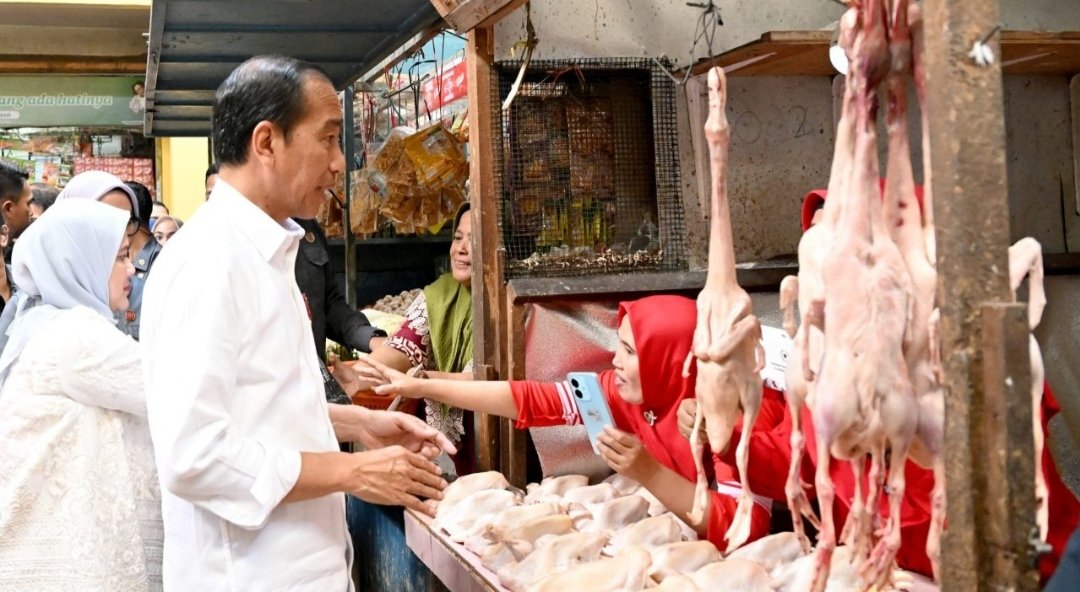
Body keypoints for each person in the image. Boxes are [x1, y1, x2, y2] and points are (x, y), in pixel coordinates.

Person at [139, 55, 454, 592]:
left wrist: (357, 425)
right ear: (267, 142)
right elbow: (194, 456)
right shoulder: (207, 262)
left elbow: (263, 402)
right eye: (328, 140)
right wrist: (354, 473)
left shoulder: (272, 249)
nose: (338, 164)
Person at [364, 294, 779, 552]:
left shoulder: (731, 411)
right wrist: (422, 386)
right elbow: (530, 398)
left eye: (632, 352)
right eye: (619, 346)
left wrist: (647, 472)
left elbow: (746, 530)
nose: (615, 360)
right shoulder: (627, 392)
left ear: (669, 361)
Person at [0, 199, 162, 590]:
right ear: (81, 261)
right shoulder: (74, 335)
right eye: (120, 256)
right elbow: (174, 388)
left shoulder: (52, 325)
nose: (130, 269)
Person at [334, 203, 474, 467]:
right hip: (461, 458)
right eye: (457, 238)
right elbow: (405, 345)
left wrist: (419, 380)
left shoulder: (507, 304)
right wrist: (361, 375)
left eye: (474, 239)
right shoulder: (440, 294)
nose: (461, 248)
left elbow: (484, 380)